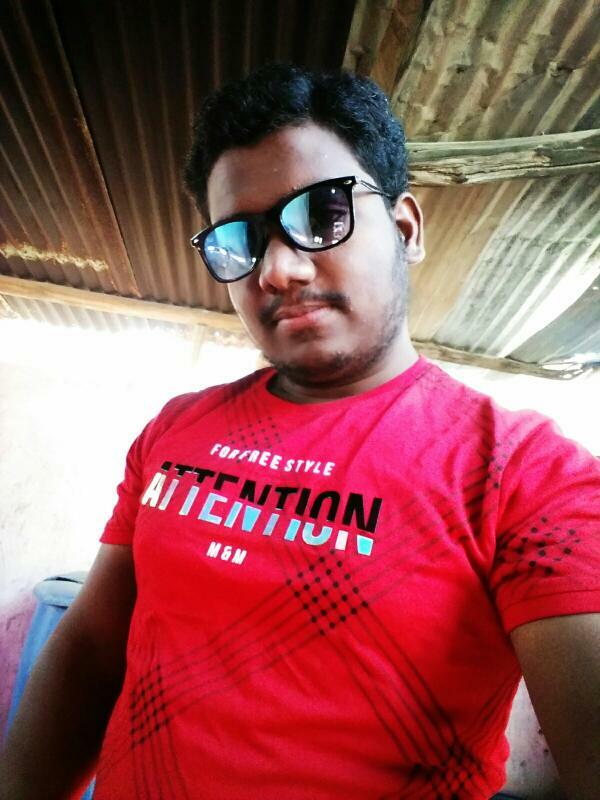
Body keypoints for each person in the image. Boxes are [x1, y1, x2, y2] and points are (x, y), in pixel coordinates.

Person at [1, 64, 599, 800]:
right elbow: (94, 649)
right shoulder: (176, 429)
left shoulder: (527, 473)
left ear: (405, 228)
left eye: (321, 212)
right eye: (239, 240)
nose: (277, 270)